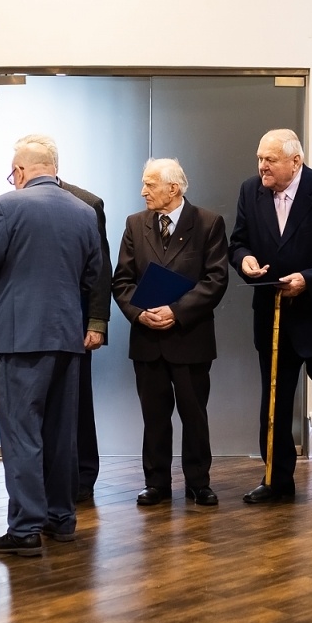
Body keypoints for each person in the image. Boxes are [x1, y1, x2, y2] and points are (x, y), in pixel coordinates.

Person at [0, 134, 100, 557]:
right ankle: (61, 519)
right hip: (66, 334)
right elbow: (93, 273)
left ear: (21, 171)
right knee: (61, 432)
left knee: (22, 433)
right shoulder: (84, 211)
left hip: (21, 336)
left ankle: (24, 527)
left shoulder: (7, 205)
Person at [229, 128, 312, 512]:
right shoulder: (249, 191)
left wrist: (308, 279)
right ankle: (275, 479)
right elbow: (238, 242)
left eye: (269, 160)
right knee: (273, 403)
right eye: (259, 159)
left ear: (296, 161)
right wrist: (244, 261)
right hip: (272, 319)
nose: (262, 167)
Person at [111, 158, 229, 507]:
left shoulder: (207, 223)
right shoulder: (135, 224)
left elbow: (216, 280)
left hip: (189, 338)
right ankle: (157, 483)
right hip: (147, 339)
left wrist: (176, 312)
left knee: (194, 414)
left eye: (150, 184)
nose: (143, 191)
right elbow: (122, 280)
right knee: (154, 417)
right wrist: (139, 313)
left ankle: (198, 483)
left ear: (173, 189)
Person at [56, 177, 111, 503]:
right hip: (33, 327)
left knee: (78, 402)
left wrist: (96, 322)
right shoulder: (13, 205)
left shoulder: (88, 204)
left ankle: (84, 477)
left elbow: (100, 270)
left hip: (76, 323)